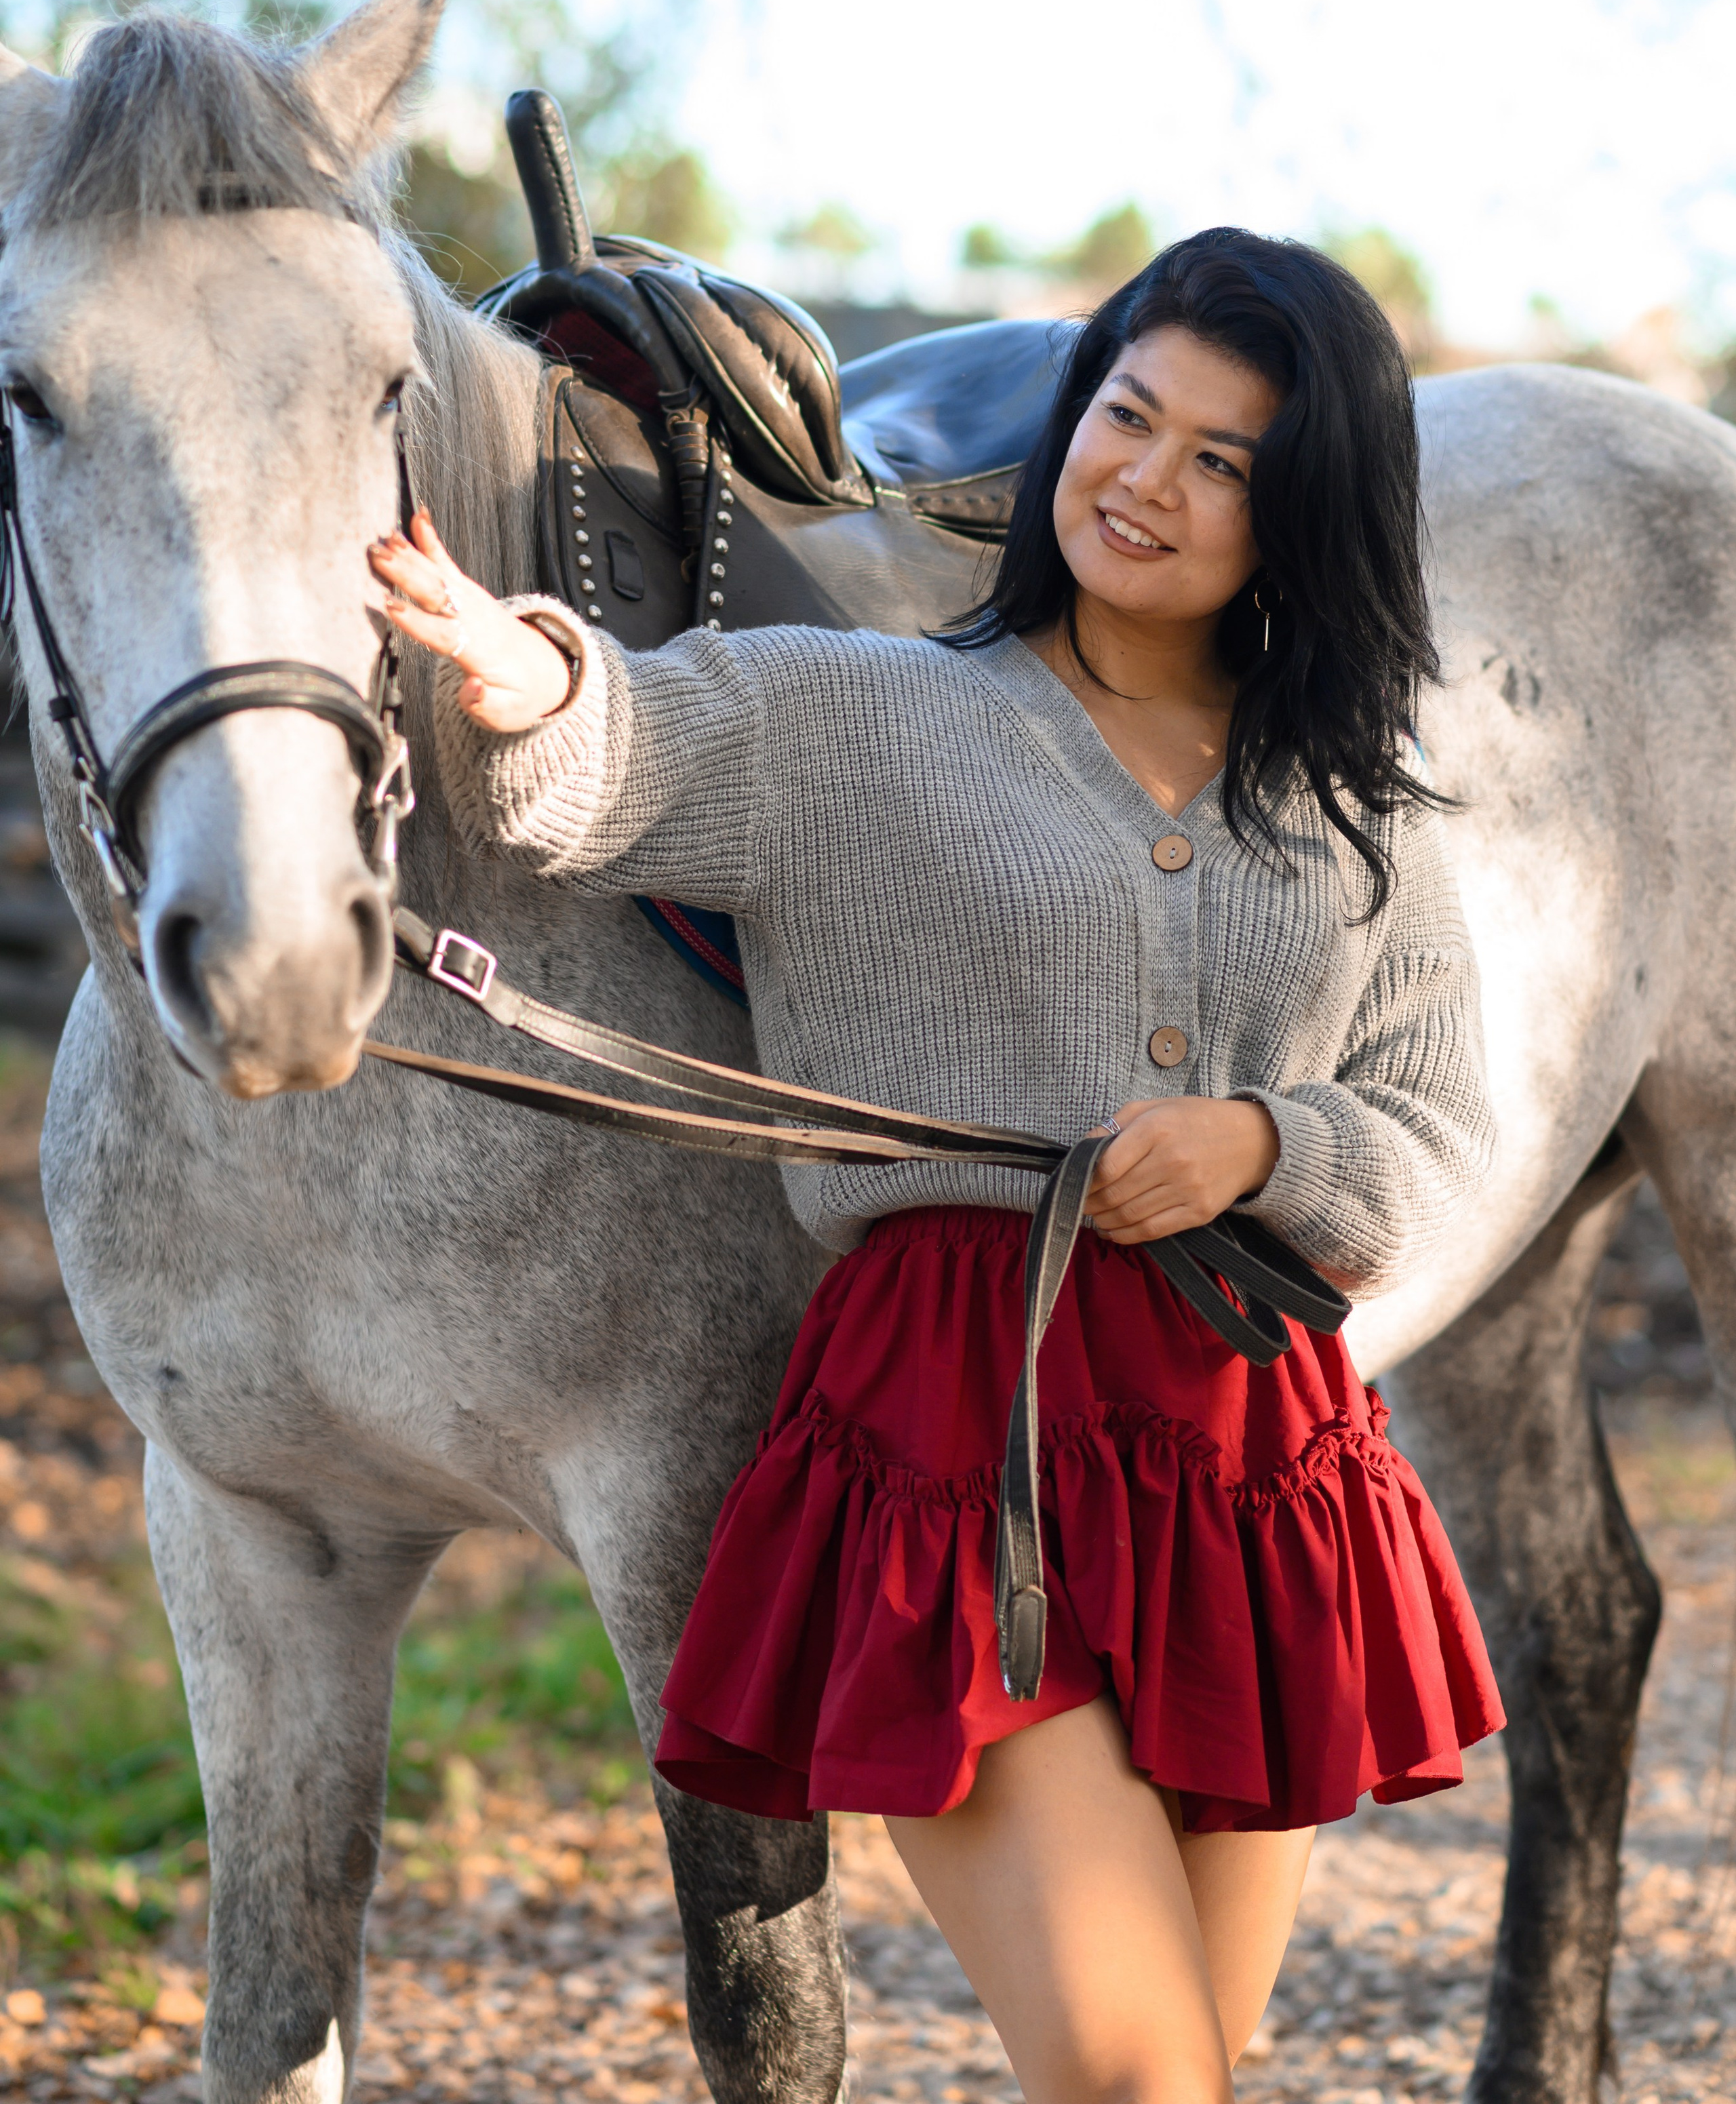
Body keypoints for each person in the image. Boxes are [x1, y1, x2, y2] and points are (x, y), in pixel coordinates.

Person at [370, 226, 1503, 2104]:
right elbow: (624, 753)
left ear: (1303, 511)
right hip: (964, 1449)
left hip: (1248, 1463)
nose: (1145, 478)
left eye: (1222, 459)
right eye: (1128, 415)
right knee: (1140, 2076)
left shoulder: (1351, 802)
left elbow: (1444, 1136)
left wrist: (1263, 1139)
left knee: (1187, 2073)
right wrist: (526, 672)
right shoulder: (860, 711)